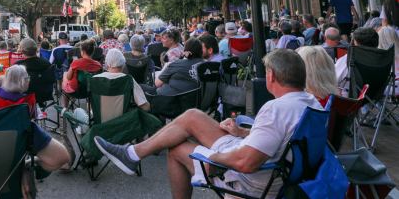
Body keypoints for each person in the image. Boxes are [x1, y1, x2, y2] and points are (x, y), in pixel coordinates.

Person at [95, 49, 323, 199]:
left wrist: (212, 158)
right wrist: (242, 131)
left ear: (271, 76)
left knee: (176, 150)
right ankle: (132, 154)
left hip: (251, 180)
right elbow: (282, 139)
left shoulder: (276, 109)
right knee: (192, 115)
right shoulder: (310, 103)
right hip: (275, 168)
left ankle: (132, 154)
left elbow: (246, 162)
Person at [336, 27, 379, 95]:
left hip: (351, 98)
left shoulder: (347, 59)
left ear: (354, 42)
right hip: (375, 96)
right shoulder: (382, 57)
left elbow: (333, 80)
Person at [62, 39, 102, 105]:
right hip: (92, 91)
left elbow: (69, 77)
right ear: (93, 52)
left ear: (82, 52)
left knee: (65, 75)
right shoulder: (98, 65)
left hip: (76, 91)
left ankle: (65, 107)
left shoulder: (76, 63)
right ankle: (90, 105)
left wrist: (71, 67)